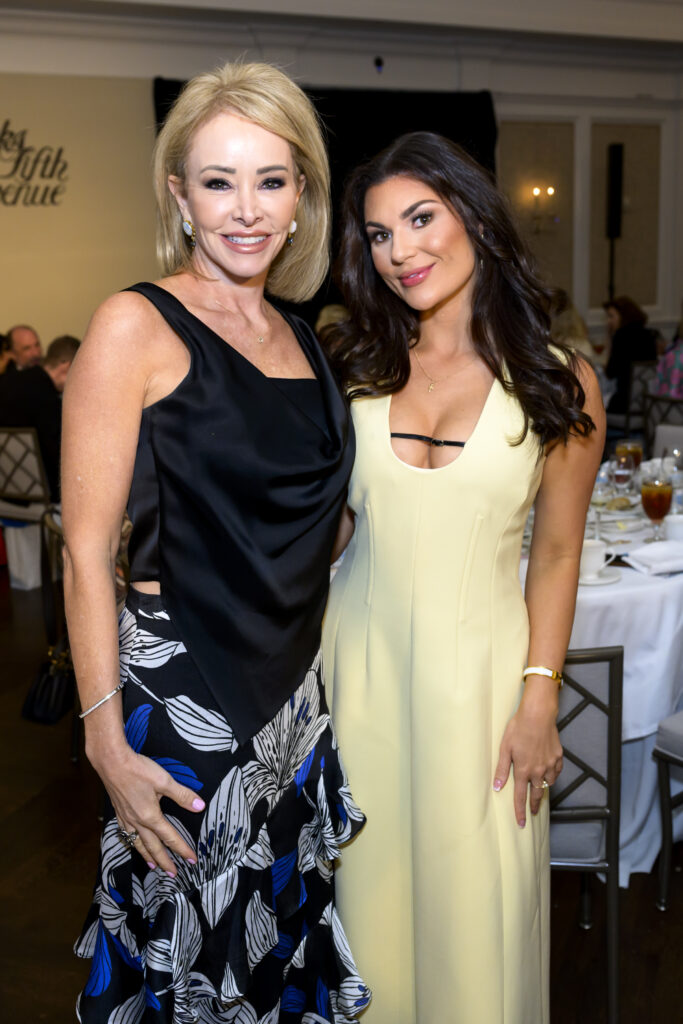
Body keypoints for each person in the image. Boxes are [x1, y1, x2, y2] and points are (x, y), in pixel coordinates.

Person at [62, 61, 369, 1023]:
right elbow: (82, 552)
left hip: (291, 700)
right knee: (193, 965)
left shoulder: (302, 336)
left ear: (300, 197)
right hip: (183, 694)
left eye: (270, 180)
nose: (246, 209)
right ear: (179, 194)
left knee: (273, 958)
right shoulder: (133, 324)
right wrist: (105, 743)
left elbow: (313, 518)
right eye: (218, 180)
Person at [321, 132, 605, 1023]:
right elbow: (324, 535)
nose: (399, 250)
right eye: (377, 235)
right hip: (352, 679)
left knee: (477, 922)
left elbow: (556, 555)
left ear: (475, 219)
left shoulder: (559, 383)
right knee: (364, 912)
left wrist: (537, 700)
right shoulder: (352, 366)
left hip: (484, 691)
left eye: (418, 218)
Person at [0, 333, 80, 501]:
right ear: (68, 367)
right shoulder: (48, 400)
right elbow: (59, 460)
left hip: (6, 497)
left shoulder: (6, 381)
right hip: (43, 502)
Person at [603, 295, 658, 412]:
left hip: (623, 401)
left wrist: (609, 339)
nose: (609, 321)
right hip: (645, 401)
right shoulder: (649, 335)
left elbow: (610, 372)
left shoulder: (621, 337)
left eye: (611, 316)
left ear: (623, 315)